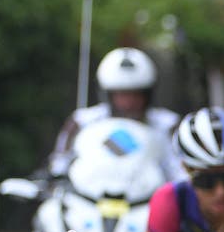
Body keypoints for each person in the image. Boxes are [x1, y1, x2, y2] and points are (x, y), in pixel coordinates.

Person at [48, 48, 180, 177]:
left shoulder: (168, 125)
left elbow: (179, 171)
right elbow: (59, 164)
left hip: (151, 197)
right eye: (122, 94)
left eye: (136, 94)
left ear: (148, 94)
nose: (129, 103)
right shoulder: (82, 122)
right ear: (108, 94)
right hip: (91, 195)